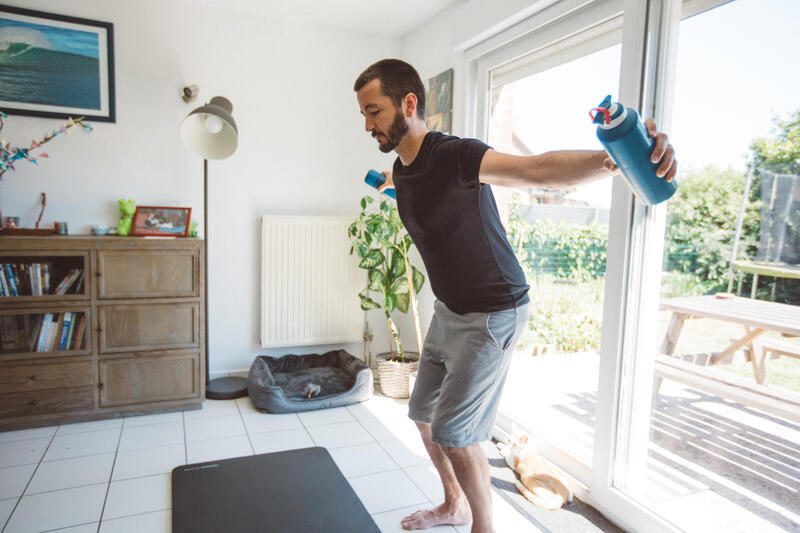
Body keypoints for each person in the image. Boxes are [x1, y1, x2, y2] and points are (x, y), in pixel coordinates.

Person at [353, 58, 676, 533]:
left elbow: (537, 169)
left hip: (493, 310)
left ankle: (484, 527)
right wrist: (384, 187)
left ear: (408, 103)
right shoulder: (402, 173)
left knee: (455, 434)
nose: (367, 124)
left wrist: (616, 159)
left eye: (374, 111)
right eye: (363, 113)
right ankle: (453, 505)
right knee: (422, 415)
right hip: (449, 310)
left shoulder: (454, 154)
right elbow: (421, 202)